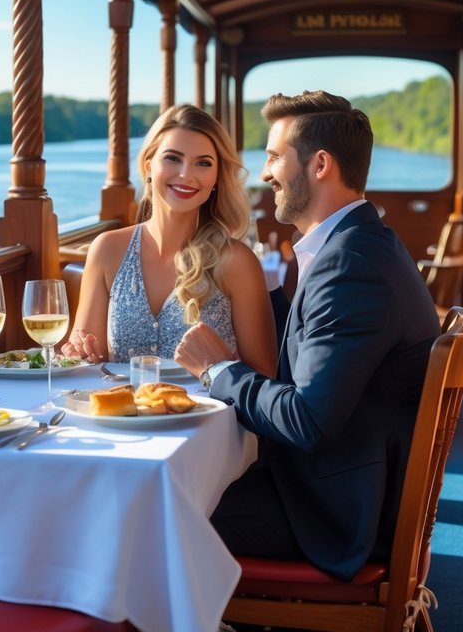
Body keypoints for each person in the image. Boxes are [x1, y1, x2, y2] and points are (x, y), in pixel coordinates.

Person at [174, 90, 440, 581]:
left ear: (319, 165)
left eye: (274, 157)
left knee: (160, 512)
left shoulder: (352, 266)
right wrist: (269, 294)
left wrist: (217, 369)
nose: (266, 173)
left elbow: (306, 419)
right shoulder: (359, 243)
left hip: (337, 511)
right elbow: (319, 360)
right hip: (342, 480)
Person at [61, 104, 277, 376]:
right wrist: (78, 351)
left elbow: (264, 375)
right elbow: (89, 362)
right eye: (173, 158)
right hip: (126, 416)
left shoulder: (236, 261)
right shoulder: (106, 250)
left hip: (208, 417)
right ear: (149, 166)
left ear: (216, 179)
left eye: (203, 163)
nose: (186, 174)